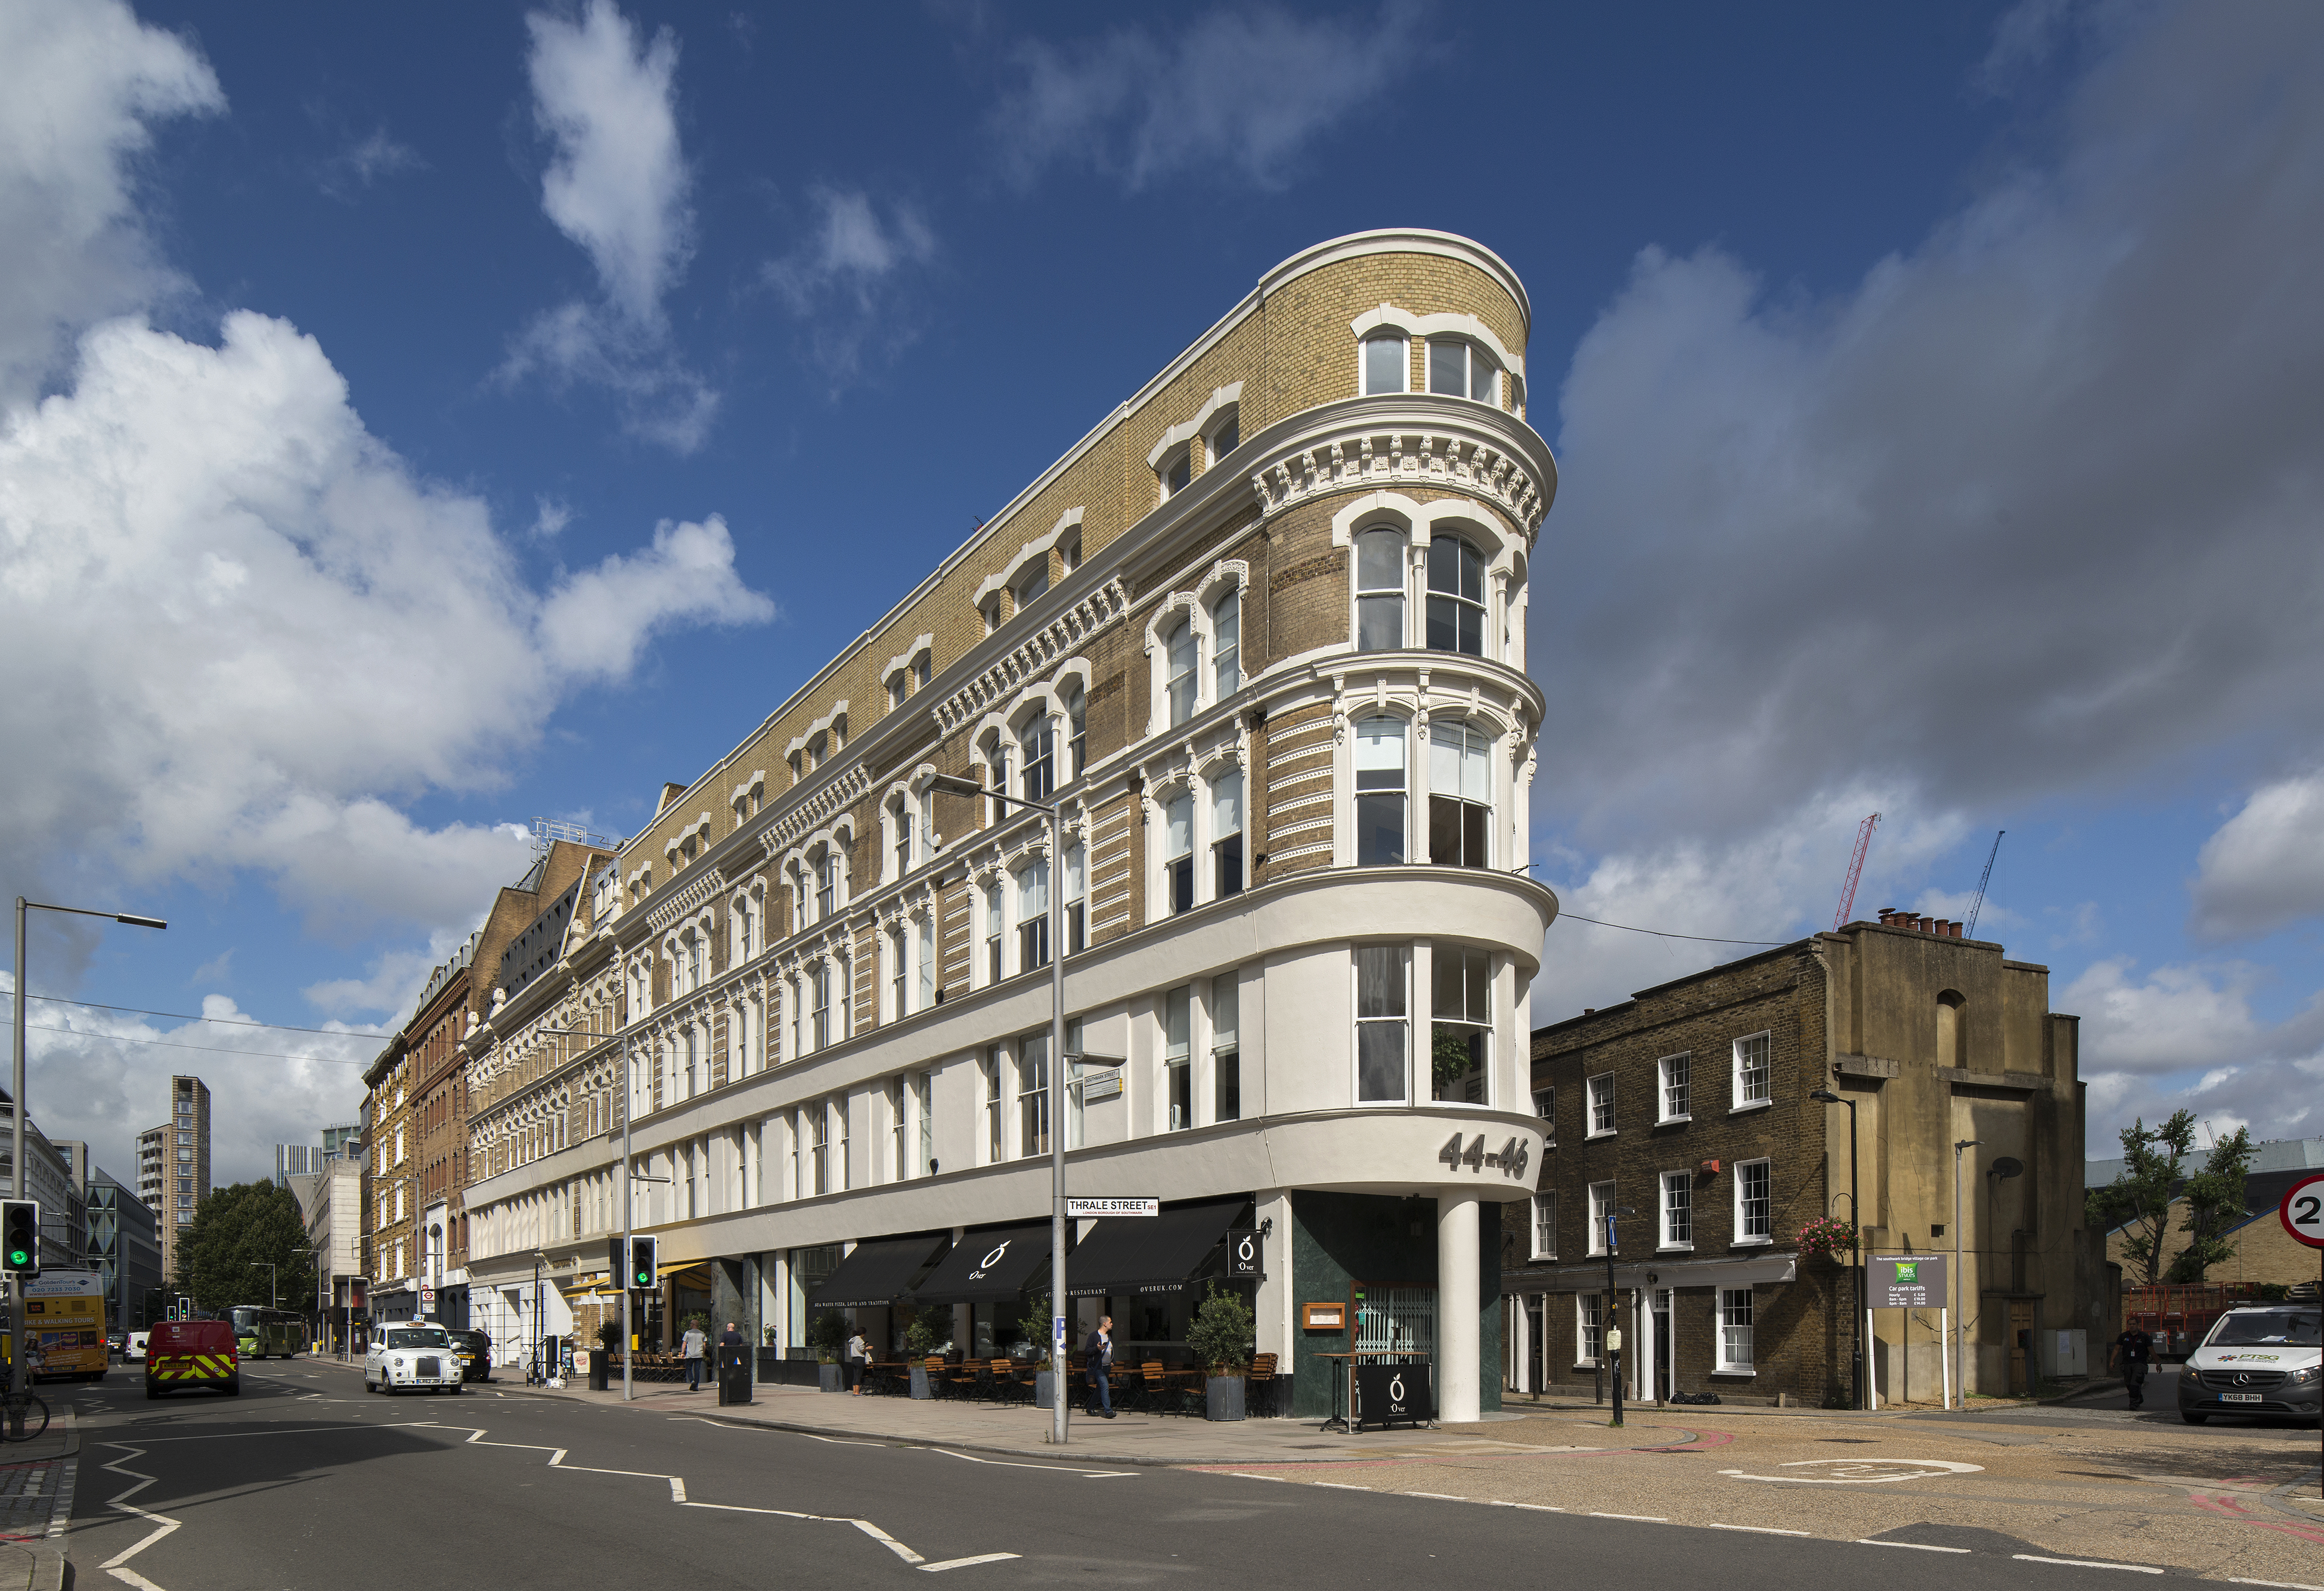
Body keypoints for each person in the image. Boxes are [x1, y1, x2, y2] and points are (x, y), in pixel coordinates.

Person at [2109, 1322, 2153, 1410]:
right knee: (2128, 1383)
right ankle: (2138, 1397)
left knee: (2135, 1383)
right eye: (2130, 1324)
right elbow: (2116, 1349)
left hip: (2140, 1363)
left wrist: (2158, 1364)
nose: (2132, 1326)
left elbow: (2151, 1350)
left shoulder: (2144, 1337)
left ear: (2138, 1325)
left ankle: (2134, 1403)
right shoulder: (2123, 1336)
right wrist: (2112, 1361)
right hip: (2127, 1363)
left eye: (2134, 1324)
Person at [1084, 1314, 1115, 1419]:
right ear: (1104, 1324)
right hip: (1097, 1367)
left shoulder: (1109, 1336)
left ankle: (1090, 1407)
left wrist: (1113, 1361)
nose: (1112, 1324)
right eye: (1110, 1322)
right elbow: (1087, 1350)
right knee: (1105, 1386)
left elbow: (1110, 1350)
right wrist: (1096, 1349)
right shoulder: (1094, 1336)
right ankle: (1108, 1411)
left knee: (1100, 1388)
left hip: (1107, 1367)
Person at [680, 1320, 708, 1392]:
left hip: (690, 1354)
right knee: (697, 1370)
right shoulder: (702, 1334)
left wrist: (683, 1352)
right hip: (699, 1354)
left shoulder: (688, 1333)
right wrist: (703, 1353)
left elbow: (684, 1343)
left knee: (689, 1368)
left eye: (691, 1324)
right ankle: (696, 1385)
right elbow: (704, 1345)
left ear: (693, 1325)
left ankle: (692, 1381)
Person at [845, 1328, 870, 1394]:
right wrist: (867, 1348)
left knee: (855, 1376)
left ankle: (854, 1392)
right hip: (860, 1359)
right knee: (859, 1376)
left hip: (854, 1359)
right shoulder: (860, 1340)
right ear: (862, 1334)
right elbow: (862, 1350)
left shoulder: (852, 1340)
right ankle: (857, 1392)